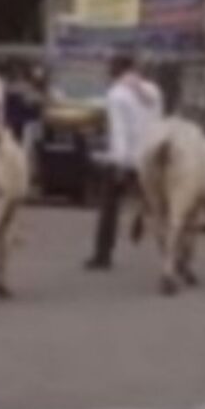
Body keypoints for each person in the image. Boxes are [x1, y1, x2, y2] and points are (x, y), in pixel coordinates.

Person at [85, 51, 165, 269]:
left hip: (128, 160)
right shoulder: (153, 91)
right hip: (152, 157)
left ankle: (103, 255)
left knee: (109, 207)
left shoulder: (116, 94)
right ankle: (173, 254)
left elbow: (119, 132)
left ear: (115, 70)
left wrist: (117, 163)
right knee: (163, 207)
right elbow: (158, 123)